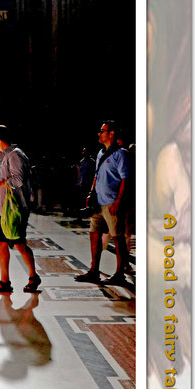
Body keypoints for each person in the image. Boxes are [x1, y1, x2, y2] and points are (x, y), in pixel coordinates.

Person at [0, 124, 41, 294]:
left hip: (14, 208)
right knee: (0, 244)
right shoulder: (4, 157)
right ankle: (4, 281)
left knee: (19, 243)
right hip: (2, 209)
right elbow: (4, 184)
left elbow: (18, 181)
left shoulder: (15, 155)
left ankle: (33, 276)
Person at [75, 120, 130, 286]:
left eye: (102, 131)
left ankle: (120, 273)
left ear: (111, 133)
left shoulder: (121, 154)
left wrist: (118, 201)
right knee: (94, 234)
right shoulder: (100, 153)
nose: (99, 134)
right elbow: (97, 175)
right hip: (98, 202)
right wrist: (91, 192)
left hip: (112, 202)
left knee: (117, 237)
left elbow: (125, 179)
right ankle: (94, 271)